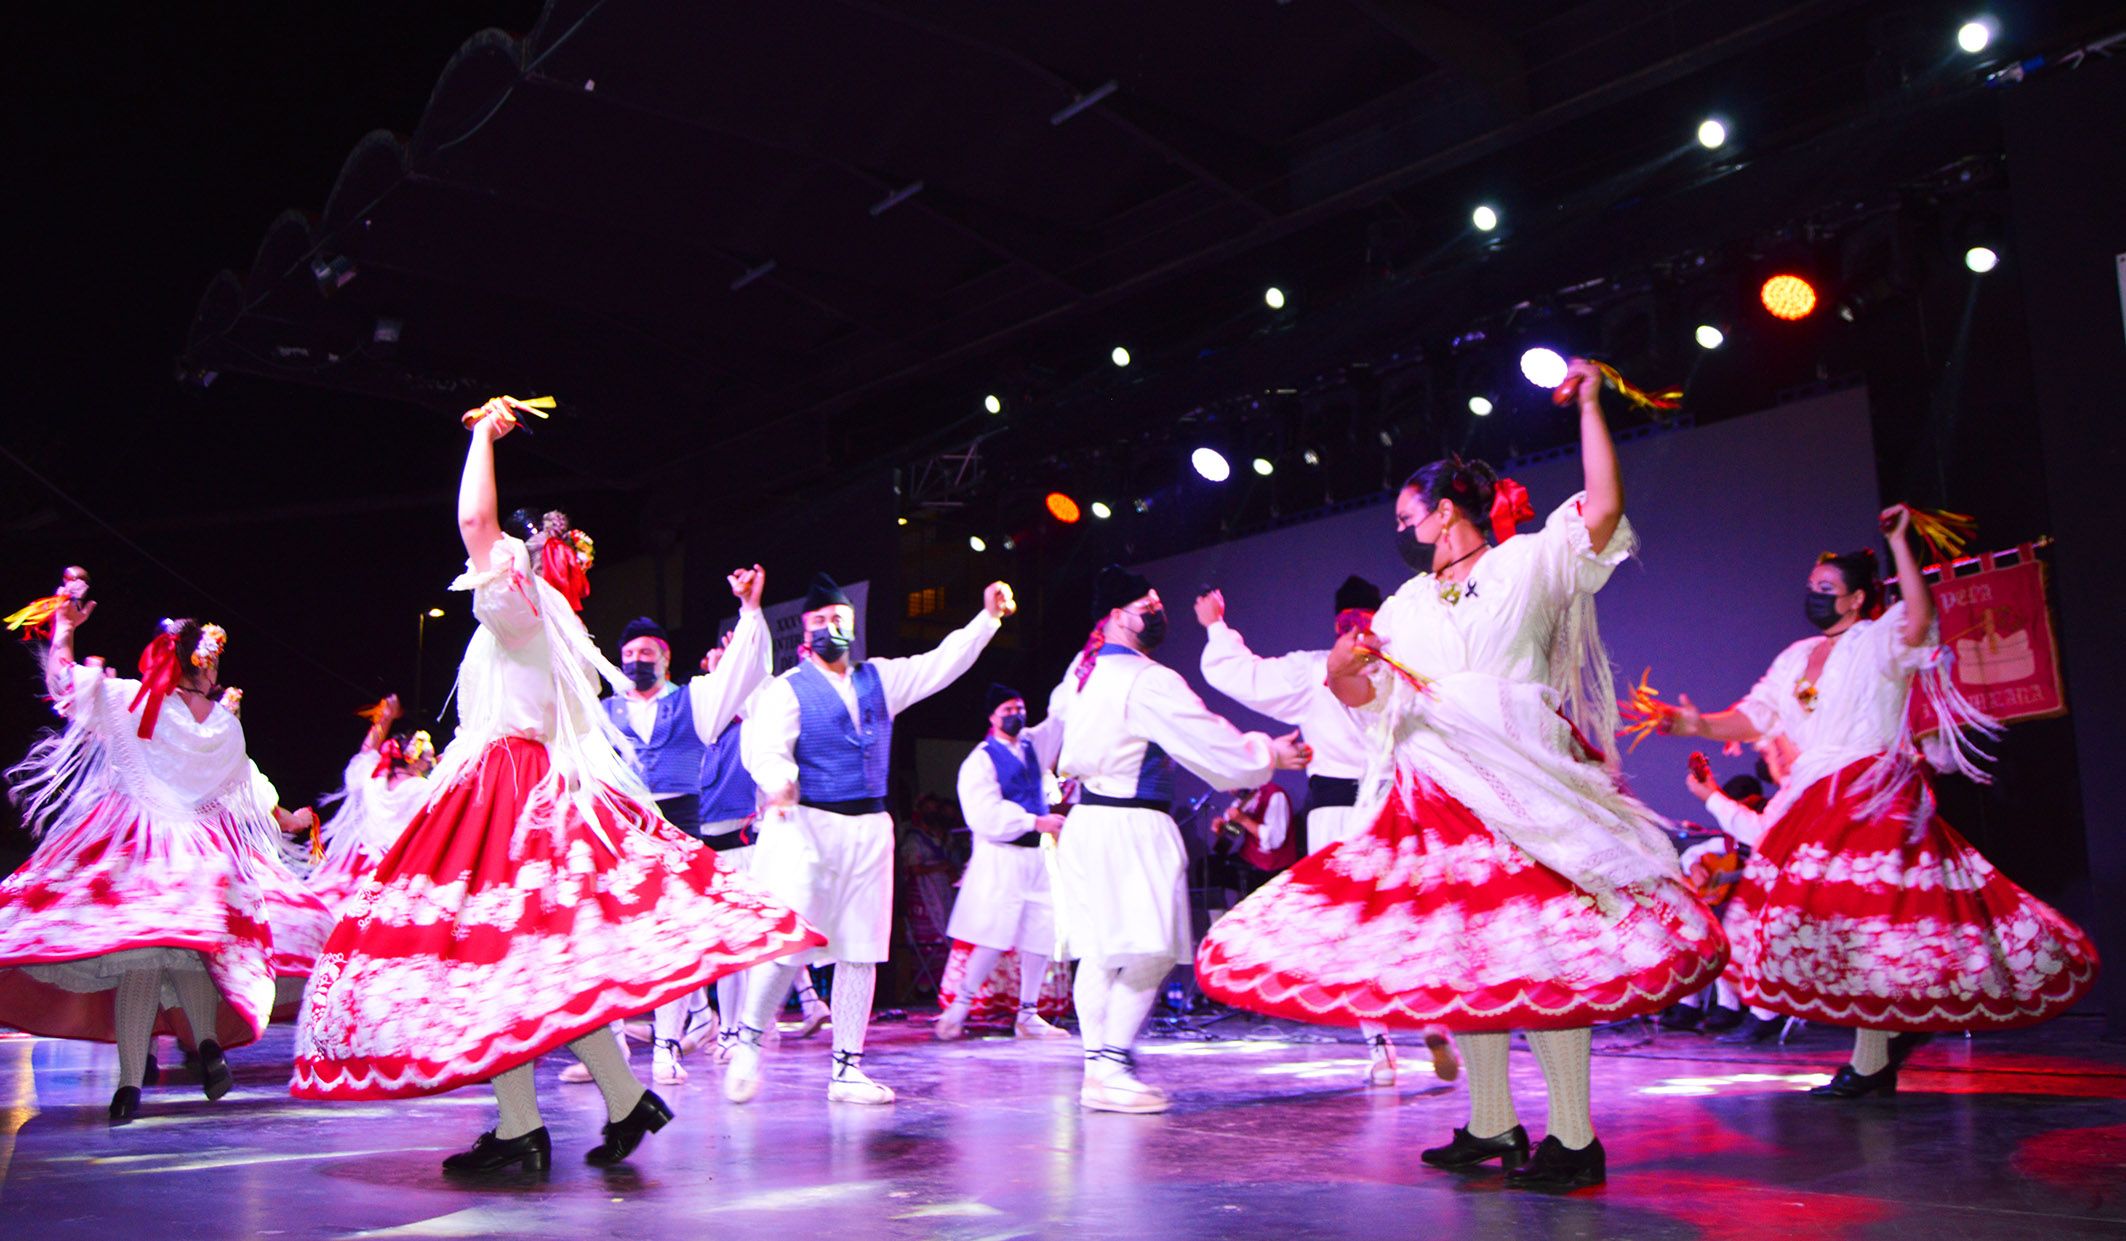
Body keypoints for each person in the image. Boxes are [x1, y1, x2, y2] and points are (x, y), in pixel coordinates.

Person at [1196, 359, 1728, 1189]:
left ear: (1444, 511)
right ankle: (1492, 1121)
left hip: (1524, 780)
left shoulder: (1528, 562)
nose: (1401, 530)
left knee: (1545, 949)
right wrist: (1341, 669)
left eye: (1408, 516)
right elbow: (1372, 697)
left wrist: (1590, 404)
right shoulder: (1404, 605)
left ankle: (1576, 1136)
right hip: (1436, 791)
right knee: (1470, 952)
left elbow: (1607, 508)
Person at [291, 397, 823, 1175]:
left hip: (503, 790)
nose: (510, 546)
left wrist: (479, 437)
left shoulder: (522, 612)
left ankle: (525, 1128)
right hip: (530, 787)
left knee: (494, 954)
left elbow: (475, 526)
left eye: (526, 543)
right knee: (534, 959)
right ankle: (617, 1101)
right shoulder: (558, 626)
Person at [1649, 509, 2099, 1096]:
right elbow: (1753, 715)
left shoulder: (1878, 639)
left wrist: (1900, 546)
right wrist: (1693, 722)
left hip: (1871, 787)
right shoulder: (1795, 657)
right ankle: (1872, 1060)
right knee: (1842, 925)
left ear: (1858, 598)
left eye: (1826, 590)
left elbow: (1918, 621)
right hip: (1816, 794)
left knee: (1873, 921)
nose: (1814, 596)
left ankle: (1873, 1060)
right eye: (1811, 588)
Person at [0, 605, 304, 1122]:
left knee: (141, 966)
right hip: (201, 863)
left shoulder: (134, 702)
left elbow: (64, 687)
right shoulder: (225, 729)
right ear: (203, 667)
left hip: (139, 854)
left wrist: (66, 629)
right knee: (187, 958)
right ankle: (206, 1045)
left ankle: (127, 1088)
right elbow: (239, 800)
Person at [728, 572, 1016, 1106]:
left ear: (853, 626)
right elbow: (765, 747)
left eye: (838, 620)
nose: (829, 627)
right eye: (819, 621)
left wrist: (988, 619)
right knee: (792, 943)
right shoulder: (788, 688)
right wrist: (778, 781)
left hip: (869, 827)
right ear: (804, 633)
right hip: (807, 825)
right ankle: (748, 1041)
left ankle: (847, 1069)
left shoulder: (880, 678)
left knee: (860, 948)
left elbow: (941, 662)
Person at [1058, 565, 1312, 1114]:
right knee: (1149, 950)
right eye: (1146, 603)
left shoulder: (1081, 673)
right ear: (1117, 616)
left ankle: (1097, 1070)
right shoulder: (1145, 679)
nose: (1156, 610)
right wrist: (1269, 753)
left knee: (1101, 951)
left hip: (1088, 822)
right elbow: (1209, 743)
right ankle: (1111, 1063)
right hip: (1130, 824)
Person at [1198, 579, 1455, 1086]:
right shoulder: (1394, 670)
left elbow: (1240, 673)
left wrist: (1214, 626)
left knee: (1357, 931)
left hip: (1346, 811)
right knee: (1403, 919)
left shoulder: (1316, 670)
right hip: (1388, 806)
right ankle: (1430, 1022)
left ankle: (1382, 1048)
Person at [585, 609, 770, 1086]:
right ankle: (614, 1044)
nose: (635, 661)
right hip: (623, 828)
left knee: (674, 940)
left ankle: (667, 1046)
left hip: (680, 825)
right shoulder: (602, 714)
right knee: (617, 941)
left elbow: (742, 674)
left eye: (646, 653)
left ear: (665, 659)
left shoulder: (694, 700)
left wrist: (751, 613)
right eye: (628, 654)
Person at [935, 684, 1072, 1042]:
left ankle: (1028, 1013)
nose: (1016, 715)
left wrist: (1088, 657)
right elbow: (984, 814)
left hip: (1034, 856)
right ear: (992, 716)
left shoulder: (1031, 746)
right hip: (1002, 856)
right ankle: (959, 1007)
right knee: (993, 934)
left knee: (1040, 932)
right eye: (1008, 709)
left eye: (1020, 707)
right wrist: (1032, 821)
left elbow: (1058, 718)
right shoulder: (981, 759)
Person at [306, 695, 437, 917]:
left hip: (358, 862)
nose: (431, 765)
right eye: (429, 760)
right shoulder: (422, 789)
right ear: (414, 760)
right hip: (393, 867)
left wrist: (384, 719)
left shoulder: (373, 781)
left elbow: (366, 752)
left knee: (335, 915)